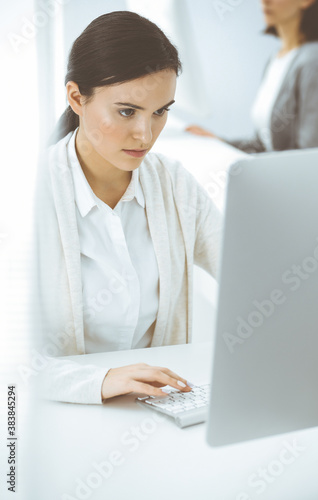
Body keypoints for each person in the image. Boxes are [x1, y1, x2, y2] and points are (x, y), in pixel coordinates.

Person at [32, 11, 221, 405]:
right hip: (56, 416)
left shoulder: (174, 185)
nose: (146, 134)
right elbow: (13, 364)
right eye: (126, 111)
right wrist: (101, 380)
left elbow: (247, 270)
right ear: (76, 98)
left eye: (160, 111)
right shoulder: (29, 197)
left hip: (153, 411)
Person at [186, 0, 318, 153]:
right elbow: (264, 144)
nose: (264, 1)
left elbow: (313, 155)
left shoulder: (316, 61)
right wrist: (221, 142)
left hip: (293, 176)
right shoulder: (276, 59)